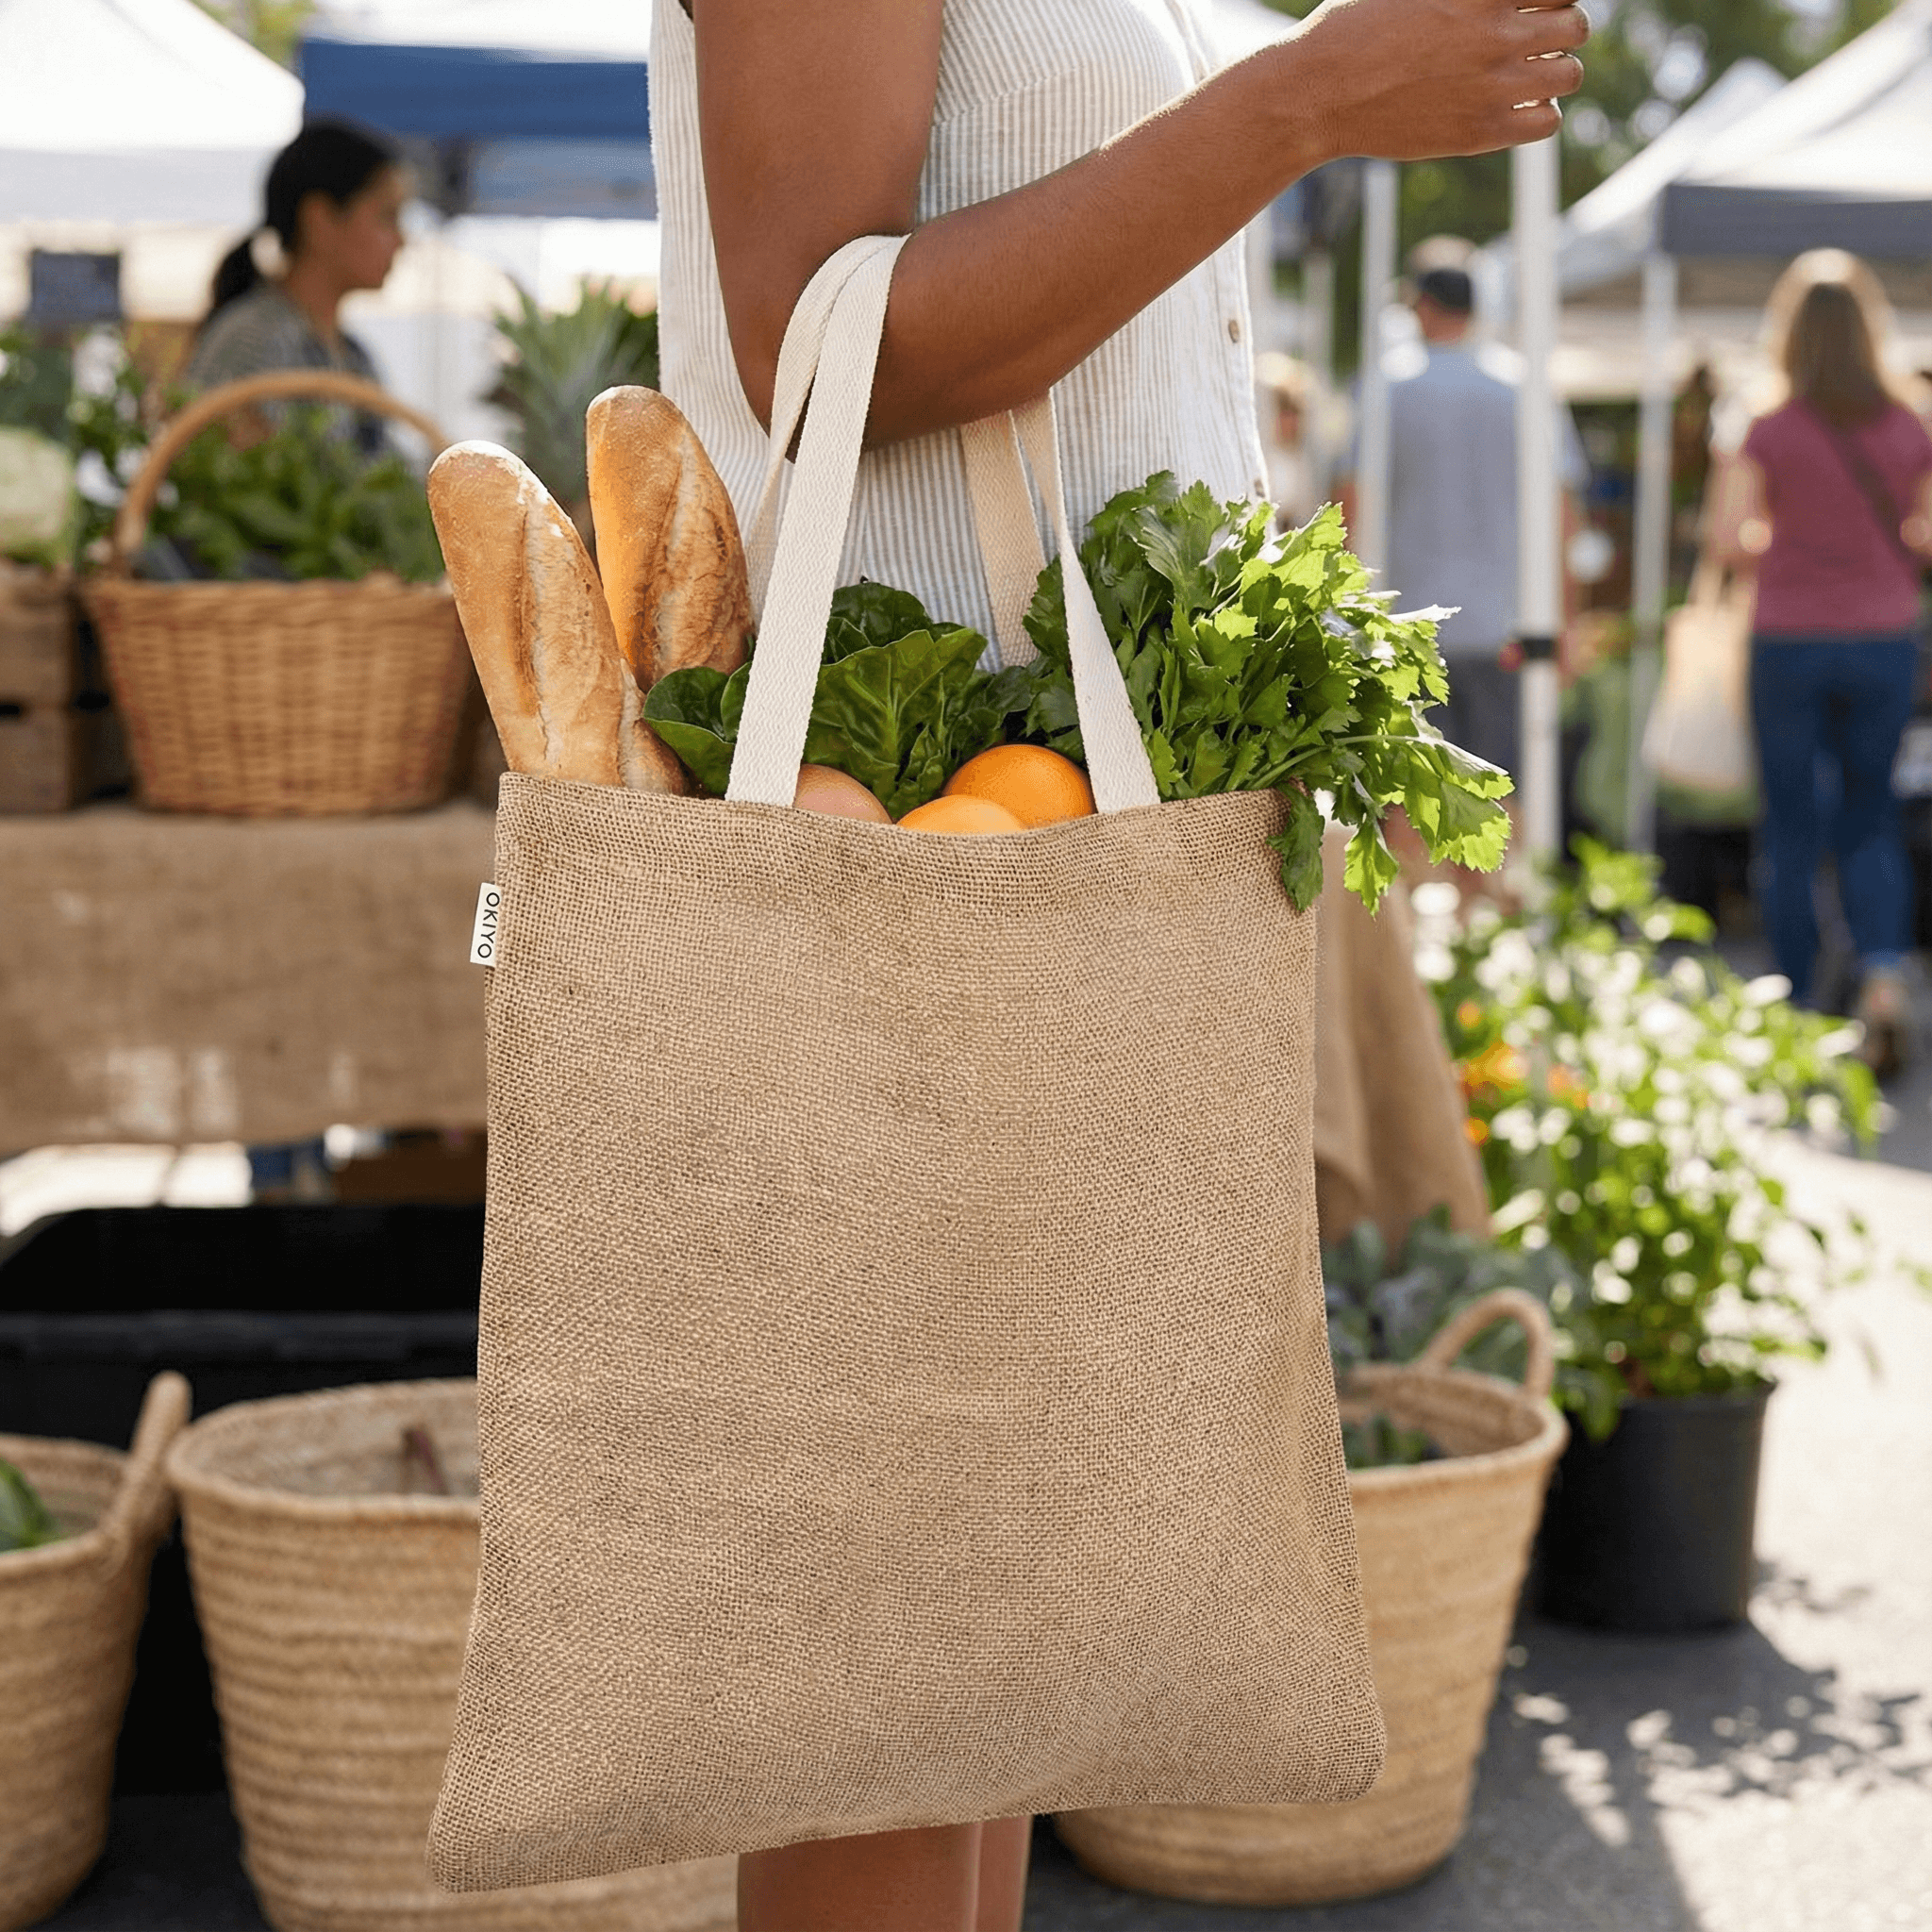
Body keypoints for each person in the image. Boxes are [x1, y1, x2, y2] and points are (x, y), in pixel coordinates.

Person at [652, 2, 1588, 1925]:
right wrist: (1300, 101)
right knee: (890, 1680)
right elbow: (816, 342)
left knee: (988, 1667)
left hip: (1054, 843)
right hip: (904, 861)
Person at [1708, 250, 1932, 1073]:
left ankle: (1798, 1007)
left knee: (1792, 823)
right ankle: (1881, 974)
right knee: (1871, 815)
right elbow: (1926, 534)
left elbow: (1728, 540)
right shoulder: (1910, 422)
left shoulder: (1766, 425)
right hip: (1883, 636)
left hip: (1789, 637)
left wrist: (1790, 540)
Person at [1339, 250, 1588, 782]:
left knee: (1407, 794)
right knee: (1502, 792)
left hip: (1406, 629)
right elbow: (1563, 516)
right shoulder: (1525, 387)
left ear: (1422, 306)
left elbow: (1347, 507)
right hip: (1508, 628)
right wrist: (1566, 618)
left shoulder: (1385, 387)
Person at [185, 120, 408, 456]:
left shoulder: (356, 358)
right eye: (387, 217)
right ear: (319, 220)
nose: (402, 240)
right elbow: (217, 466)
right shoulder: (252, 341)